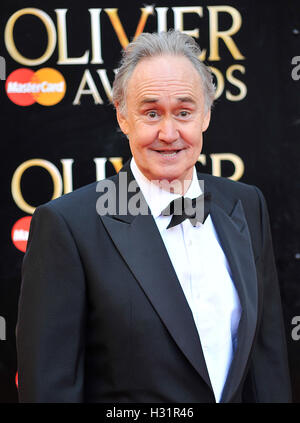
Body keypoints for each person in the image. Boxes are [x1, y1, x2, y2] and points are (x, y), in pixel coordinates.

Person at [16, 30, 291, 403]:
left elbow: (267, 360)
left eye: (183, 111)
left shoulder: (244, 204)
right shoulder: (69, 225)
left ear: (206, 115)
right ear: (123, 116)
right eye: (150, 113)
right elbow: (50, 388)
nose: (168, 132)